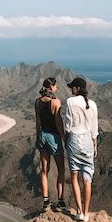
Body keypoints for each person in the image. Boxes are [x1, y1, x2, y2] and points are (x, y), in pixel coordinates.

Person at [64, 77, 98, 222]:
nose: (71, 89)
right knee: (87, 178)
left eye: (72, 87)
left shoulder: (70, 102)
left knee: (74, 176)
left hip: (74, 139)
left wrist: (66, 139)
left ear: (77, 88)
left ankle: (79, 211)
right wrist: (94, 144)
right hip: (88, 141)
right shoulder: (93, 104)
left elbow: (68, 124)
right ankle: (86, 213)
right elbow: (94, 127)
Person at [35, 77, 66, 211]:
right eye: (56, 86)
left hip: (42, 135)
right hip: (53, 137)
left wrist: (38, 137)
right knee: (61, 170)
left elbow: (38, 122)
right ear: (51, 87)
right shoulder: (55, 102)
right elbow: (58, 123)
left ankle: (46, 201)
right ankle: (60, 200)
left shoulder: (37, 102)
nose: (57, 88)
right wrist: (64, 138)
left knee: (44, 171)